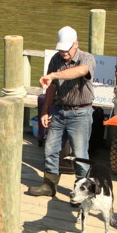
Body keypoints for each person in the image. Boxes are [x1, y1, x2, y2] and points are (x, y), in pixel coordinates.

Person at [27, 26, 96, 199]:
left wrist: (53, 75)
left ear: (76, 44)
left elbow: (80, 71)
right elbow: (52, 87)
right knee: (50, 148)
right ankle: (49, 186)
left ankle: (84, 190)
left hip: (80, 113)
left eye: (67, 49)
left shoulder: (87, 58)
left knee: (80, 154)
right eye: (61, 49)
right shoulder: (56, 59)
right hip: (59, 111)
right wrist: (45, 110)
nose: (64, 52)